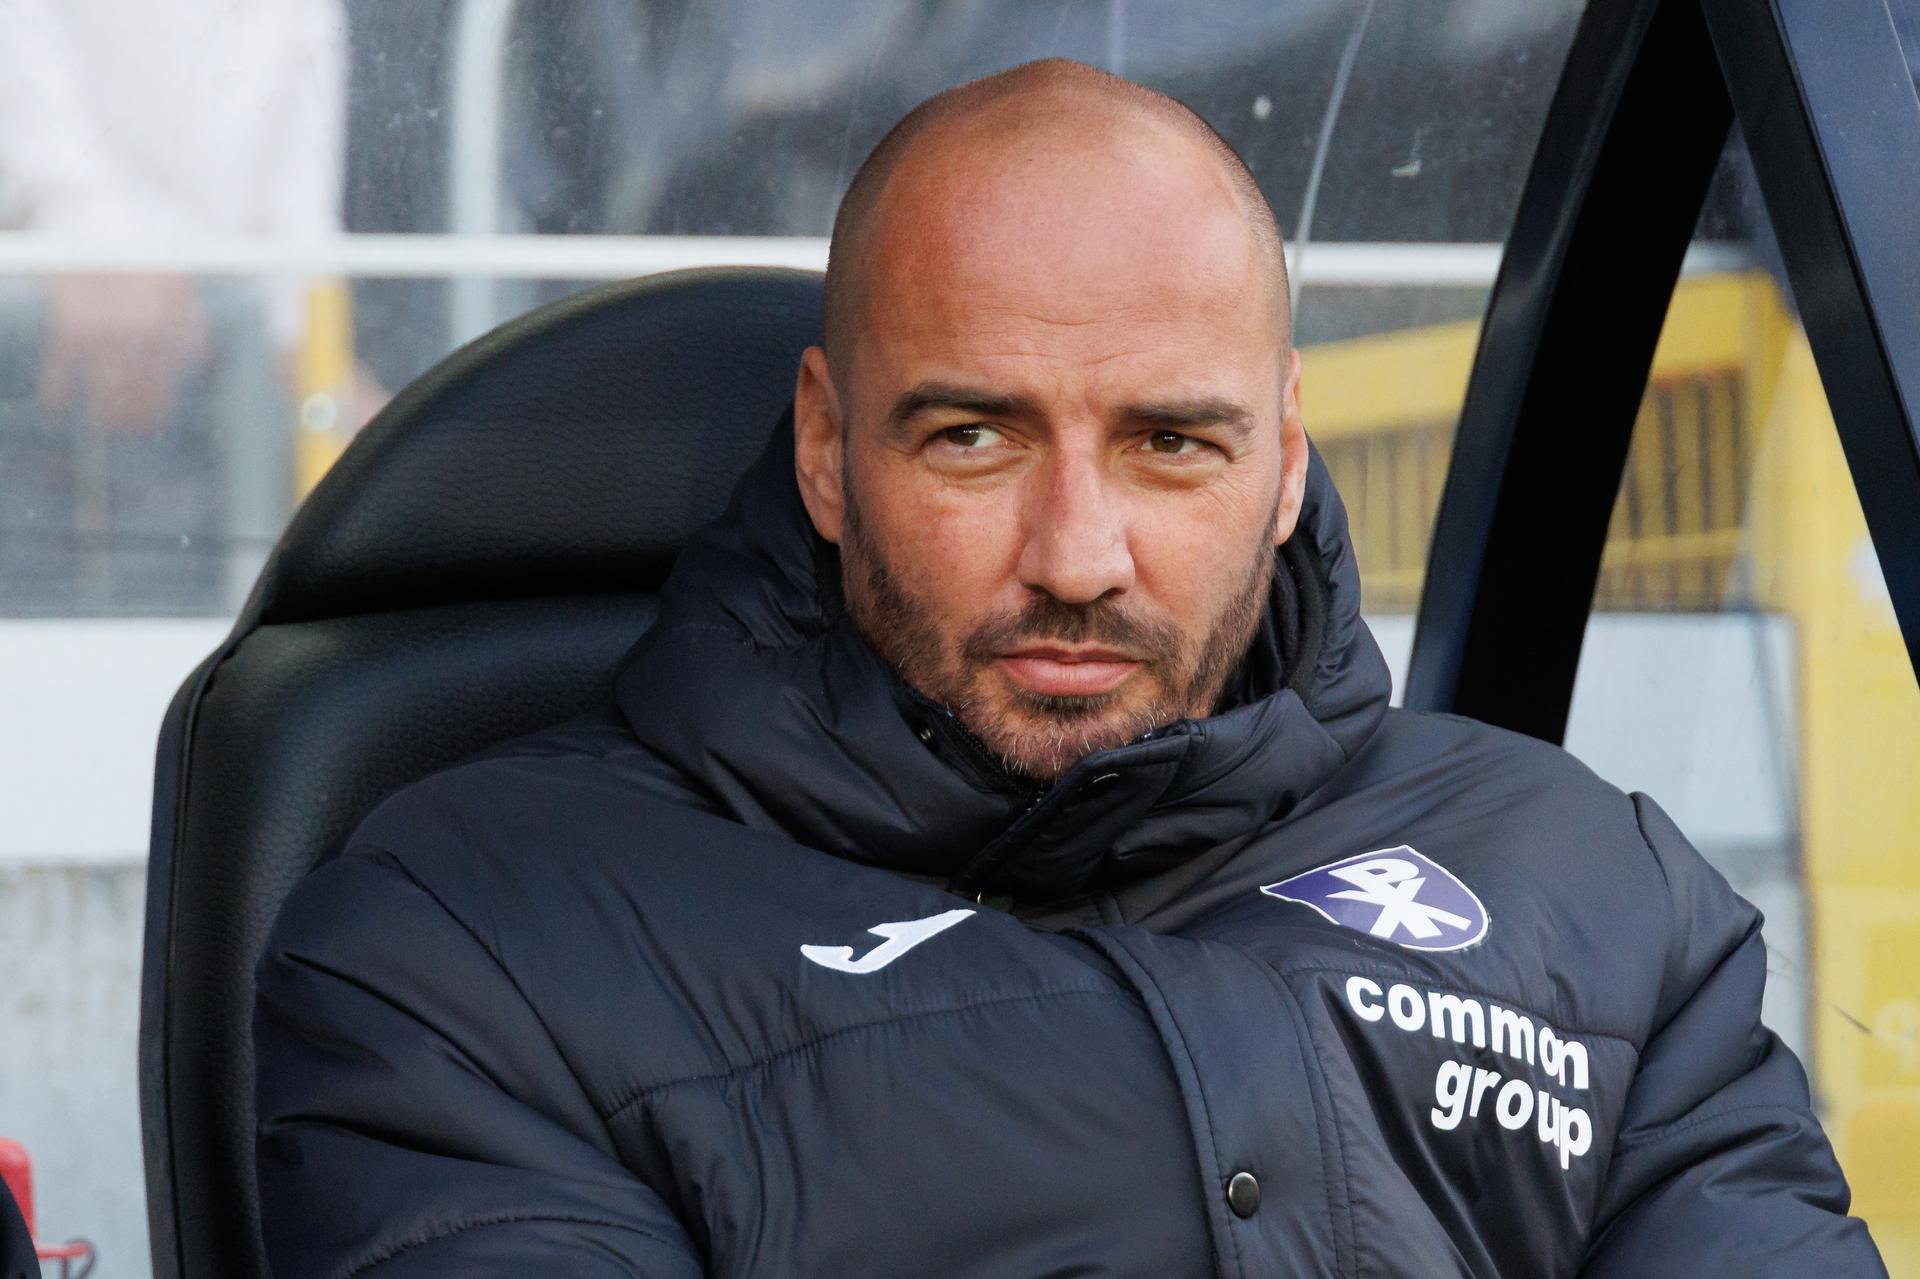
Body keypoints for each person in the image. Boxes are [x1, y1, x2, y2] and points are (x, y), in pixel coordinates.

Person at [254, 59, 1886, 1276]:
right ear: (826, 449)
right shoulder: (473, 942)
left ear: (1285, 457)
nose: (1079, 554)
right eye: (974, 436)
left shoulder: (1601, 901)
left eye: (1172, 442)